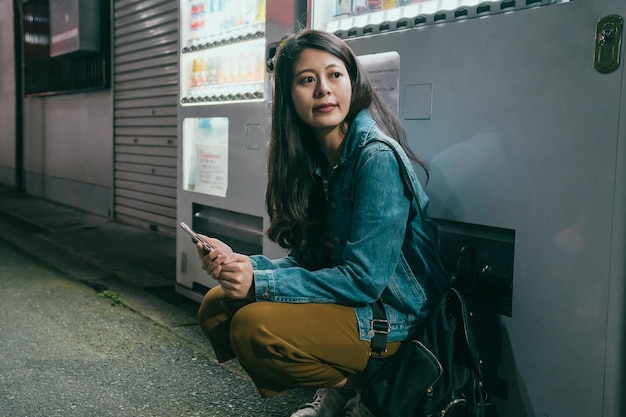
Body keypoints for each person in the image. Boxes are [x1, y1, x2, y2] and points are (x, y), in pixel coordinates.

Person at [196, 29, 449, 417]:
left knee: (253, 327)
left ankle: (364, 392)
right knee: (216, 306)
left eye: (335, 75)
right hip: (355, 305)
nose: (323, 91)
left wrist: (260, 283)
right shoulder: (317, 163)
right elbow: (309, 260)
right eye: (307, 80)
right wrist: (243, 266)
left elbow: (364, 280)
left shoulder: (374, 158)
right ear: (288, 95)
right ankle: (351, 388)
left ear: (353, 81)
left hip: (396, 316)